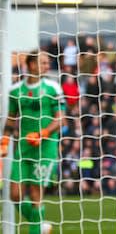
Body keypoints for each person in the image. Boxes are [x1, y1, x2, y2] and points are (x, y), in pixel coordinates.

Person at [1, 50, 65, 234]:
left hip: (45, 148)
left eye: (47, 62)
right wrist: (4, 140)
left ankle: (36, 229)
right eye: (43, 62)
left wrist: (42, 133)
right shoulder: (15, 91)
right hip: (23, 148)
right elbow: (12, 118)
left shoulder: (53, 88)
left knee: (36, 195)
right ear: (31, 65)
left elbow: (60, 119)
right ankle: (40, 225)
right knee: (15, 195)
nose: (47, 66)